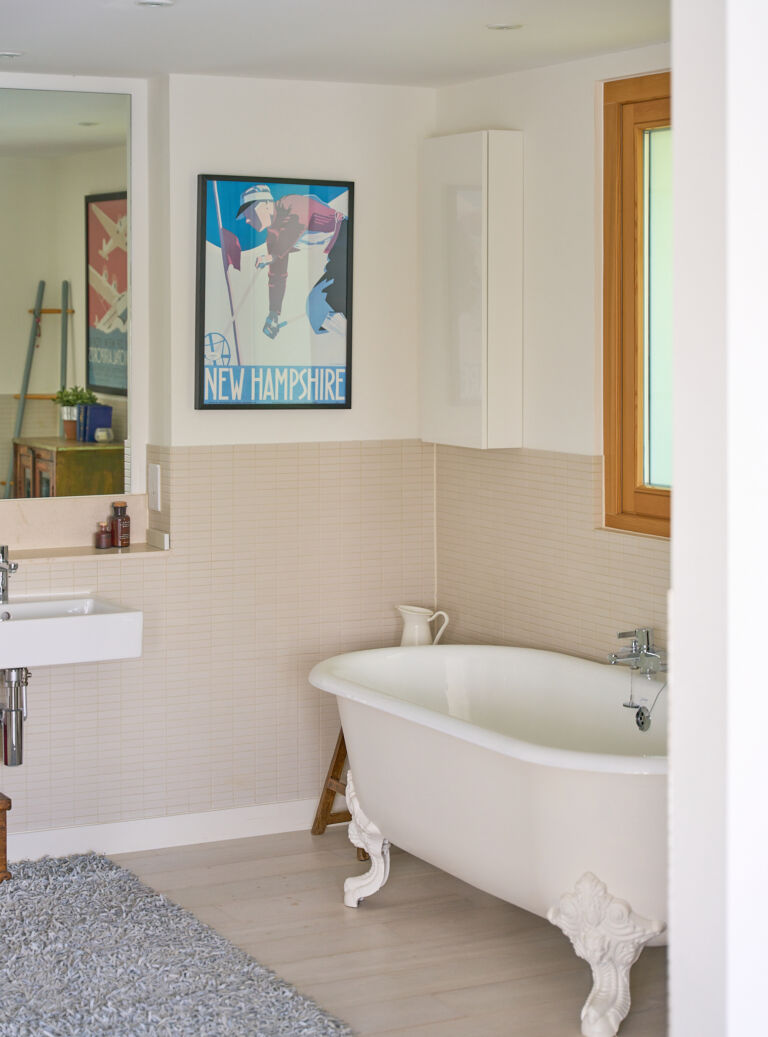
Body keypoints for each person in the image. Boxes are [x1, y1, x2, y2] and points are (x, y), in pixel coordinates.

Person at [236, 183, 348, 340]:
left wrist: (273, 256)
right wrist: (274, 313)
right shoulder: (273, 237)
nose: (247, 220)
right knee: (317, 312)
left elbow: (297, 222)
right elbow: (277, 276)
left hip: (346, 238)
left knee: (321, 303)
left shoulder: (291, 203)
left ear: (267, 204)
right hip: (337, 254)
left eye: (249, 212)